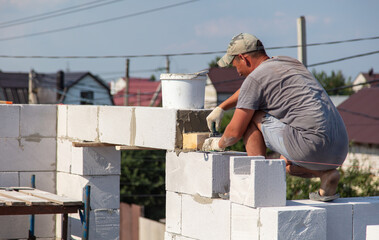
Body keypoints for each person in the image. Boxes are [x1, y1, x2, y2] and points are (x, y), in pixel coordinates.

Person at [202, 33, 349, 201]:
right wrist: (222, 107)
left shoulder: (255, 79)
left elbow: (234, 133)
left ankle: (257, 184)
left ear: (244, 58)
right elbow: (247, 90)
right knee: (285, 164)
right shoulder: (288, 62)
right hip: (339, 149)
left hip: (309, 146)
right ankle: (326, 175)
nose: (238, 73)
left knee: (249, 117)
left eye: (236, 66)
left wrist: (216, 144)